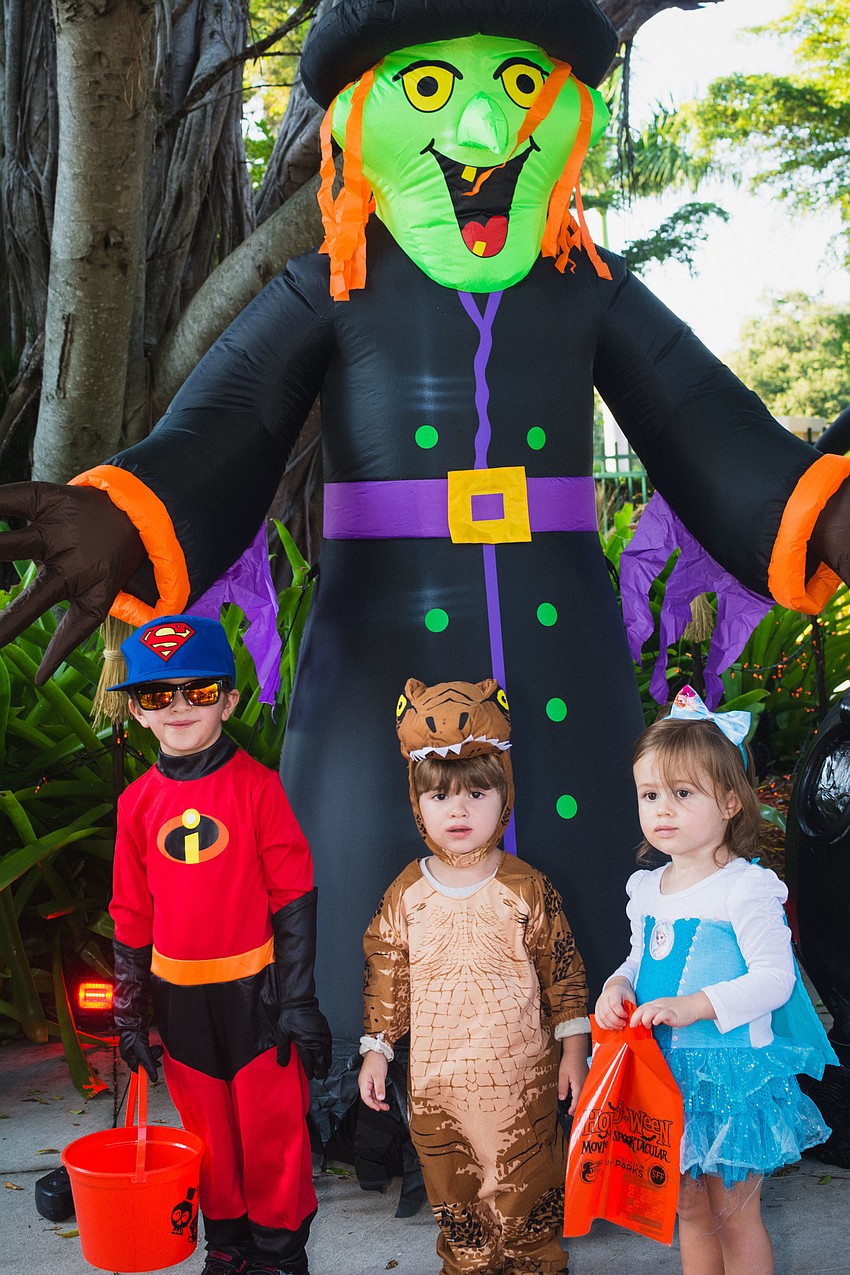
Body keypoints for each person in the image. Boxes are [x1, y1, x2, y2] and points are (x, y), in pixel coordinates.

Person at [108, 613, 332, 1275]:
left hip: (258, 995)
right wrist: (129, 1012)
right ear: (138, 711)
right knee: (207, 1134)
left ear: (228, 701)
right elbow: (130, 911)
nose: (178, 706)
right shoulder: (135, 803)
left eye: (198, 690)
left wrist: (299, 1001)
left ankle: (279, 1253)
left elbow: (293, 895)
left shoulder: (259, 787)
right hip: (179, 1001)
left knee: (272, 1129)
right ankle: (229, 1246)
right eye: (157, 693)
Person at [595, 685, 836, 1275]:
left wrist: (696, 1004)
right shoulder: (646, 889)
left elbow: (776, 980)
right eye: (650, 795)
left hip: (730, 1075)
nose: (663, 810)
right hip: (664, 1077)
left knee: (734, 1215)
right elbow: (638, 960)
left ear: (730, 802)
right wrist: (616, 986)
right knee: (690, 1212)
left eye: (682, 794)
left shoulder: (745, 887)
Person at [358, 677, 590, 1275]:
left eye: (477, 793)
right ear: (418, 803)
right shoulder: (406, 893)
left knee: (529, 1194)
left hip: (522, 1085)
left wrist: (574, 1050)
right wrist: (377, 1049)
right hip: (438, 1089)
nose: (458, 810)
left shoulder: (526, 887)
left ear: (504, 794)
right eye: (440, 796)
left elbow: (563, 971)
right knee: (455, 1201)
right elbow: (386, 974)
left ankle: (535, 1262)